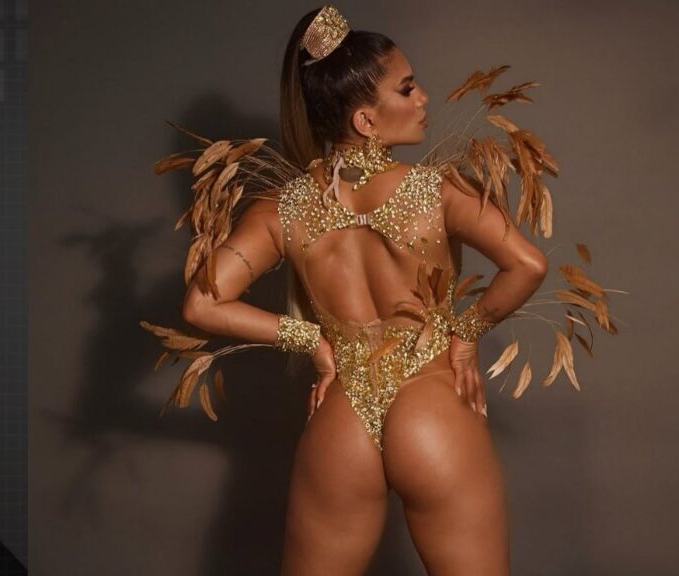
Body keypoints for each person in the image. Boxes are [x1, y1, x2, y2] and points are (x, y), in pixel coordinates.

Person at [145, 5, 616, 575]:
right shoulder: (437, 188)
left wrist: (313, 342)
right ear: (367, 120)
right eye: (407, 88)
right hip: (432, 409)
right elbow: (528, 265)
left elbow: (202, 304)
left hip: (343, 422)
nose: (423, 98)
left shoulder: (282, 208)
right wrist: (465, 334)